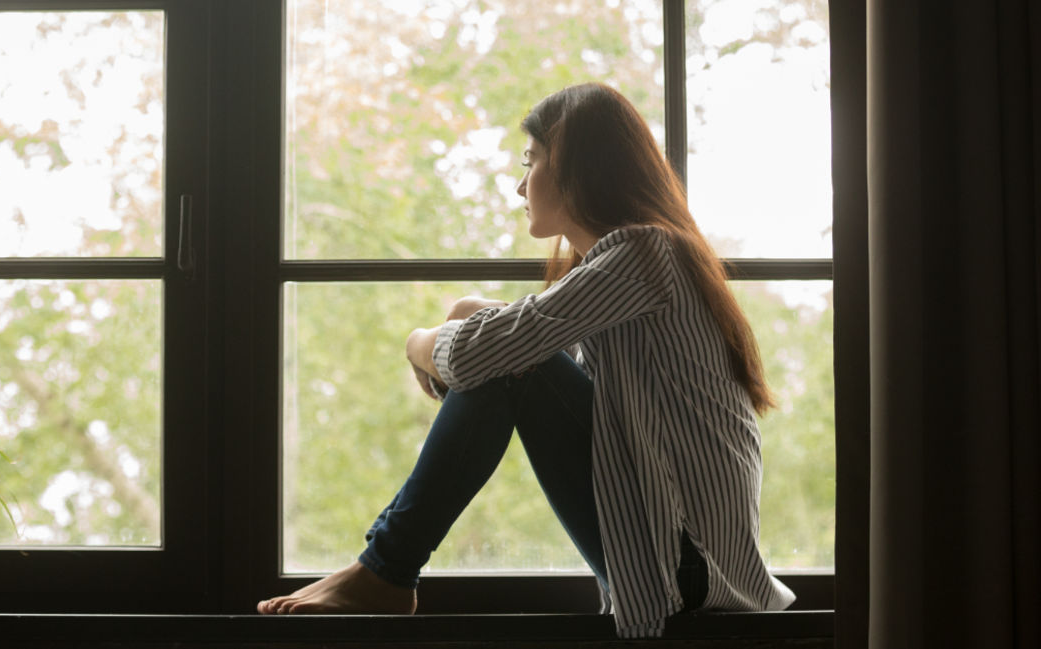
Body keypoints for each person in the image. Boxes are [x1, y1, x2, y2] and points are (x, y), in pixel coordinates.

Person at [257, 82, 795, 637]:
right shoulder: (641, 265)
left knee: (512, 360)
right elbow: (519, 353)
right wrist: (468, 315)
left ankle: (386, 570)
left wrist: (419, 340)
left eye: (531, 161)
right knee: (507, 353)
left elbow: (488, 357)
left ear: (578, 168)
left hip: (687, 574)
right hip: (678, 567)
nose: (519, 185)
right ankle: (382, 570)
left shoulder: (644, 253)